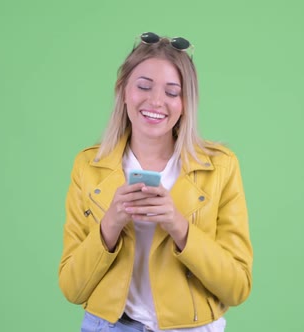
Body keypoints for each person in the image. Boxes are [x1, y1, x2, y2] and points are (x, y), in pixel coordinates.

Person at [58, 32, 253, 332]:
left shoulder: (220, 167)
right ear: (122, 91)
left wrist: (178, 225)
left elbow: (237, 287)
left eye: (172, 92)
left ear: (186, 103)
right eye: (144, 86)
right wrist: (111, 222)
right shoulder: (89, 166)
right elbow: (73, 288)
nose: (156, 101)